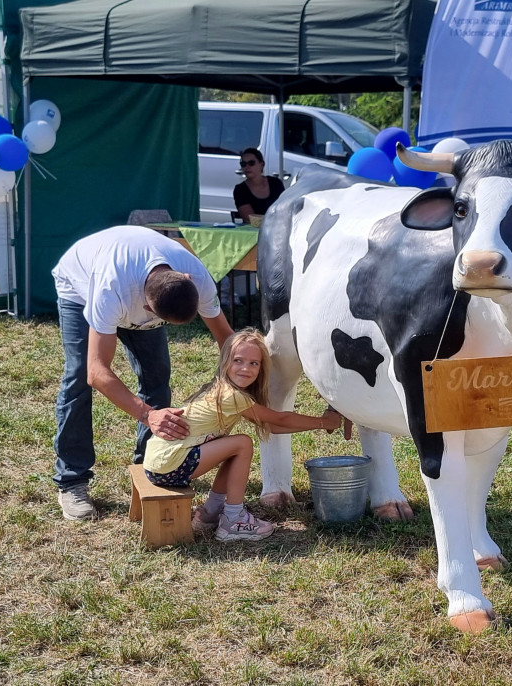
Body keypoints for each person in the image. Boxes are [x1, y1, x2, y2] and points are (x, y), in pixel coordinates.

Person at [51, 225, 235, 521]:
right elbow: (97, 372)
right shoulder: (110, 289)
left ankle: (151, 466)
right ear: (148, 307)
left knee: (157, 378)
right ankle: (72, 481)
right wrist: (149, 415)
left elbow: (226, 338)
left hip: (134, 283)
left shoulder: (196, 275)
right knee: (78, 380)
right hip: (80, 287)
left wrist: (249, 377)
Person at [144, 328, 342, 541]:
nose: (245, 369)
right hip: (169, 464)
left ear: (261, 368)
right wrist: (324, 422)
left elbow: (272, 427)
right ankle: (233, 520)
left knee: (234, 448)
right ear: (225, 361)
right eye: (238, 360)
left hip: (160, 462)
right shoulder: (232, 397)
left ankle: (210, 513)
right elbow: (280, 419)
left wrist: (320, 425)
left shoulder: (222, 390)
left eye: (253, 363)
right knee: (242, 444)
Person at [233, 147, 284, 220]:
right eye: (243, 164)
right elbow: (250, 219)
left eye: (251, 163)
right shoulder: (240, 190)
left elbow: (285, 209)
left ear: (261, 164)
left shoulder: (276, 183)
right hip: (254, 230)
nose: (247, 167)